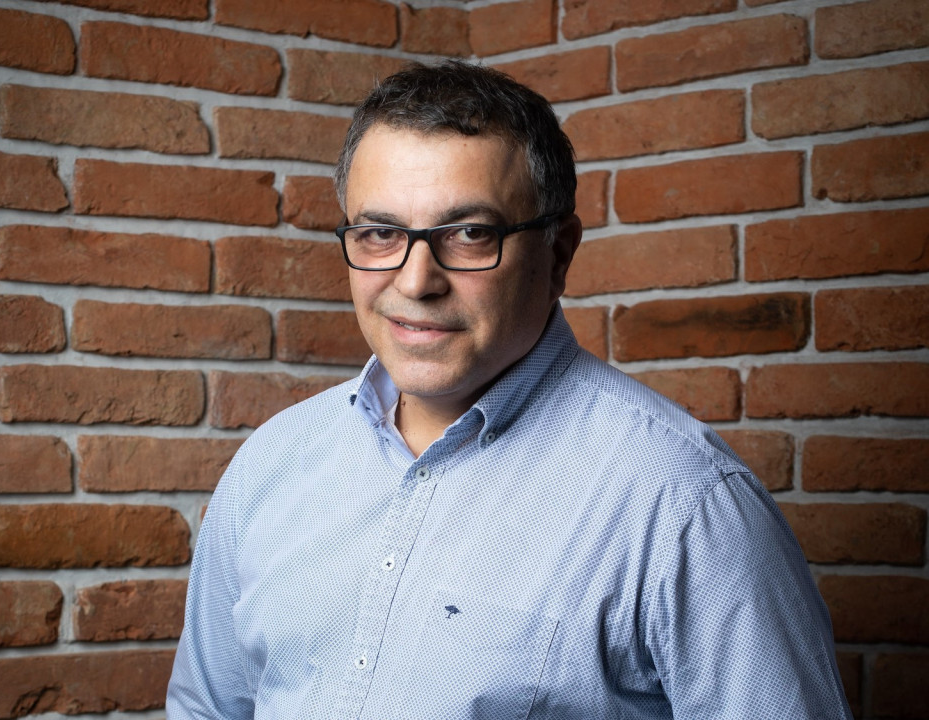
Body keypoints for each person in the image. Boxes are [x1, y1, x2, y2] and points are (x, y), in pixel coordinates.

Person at [167, 60, 851, 719]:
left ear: (558, 253)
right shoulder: (270, 464)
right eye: (379, 233)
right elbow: (207, 709)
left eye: (470, 234)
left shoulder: (683, 504)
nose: (415, 281)